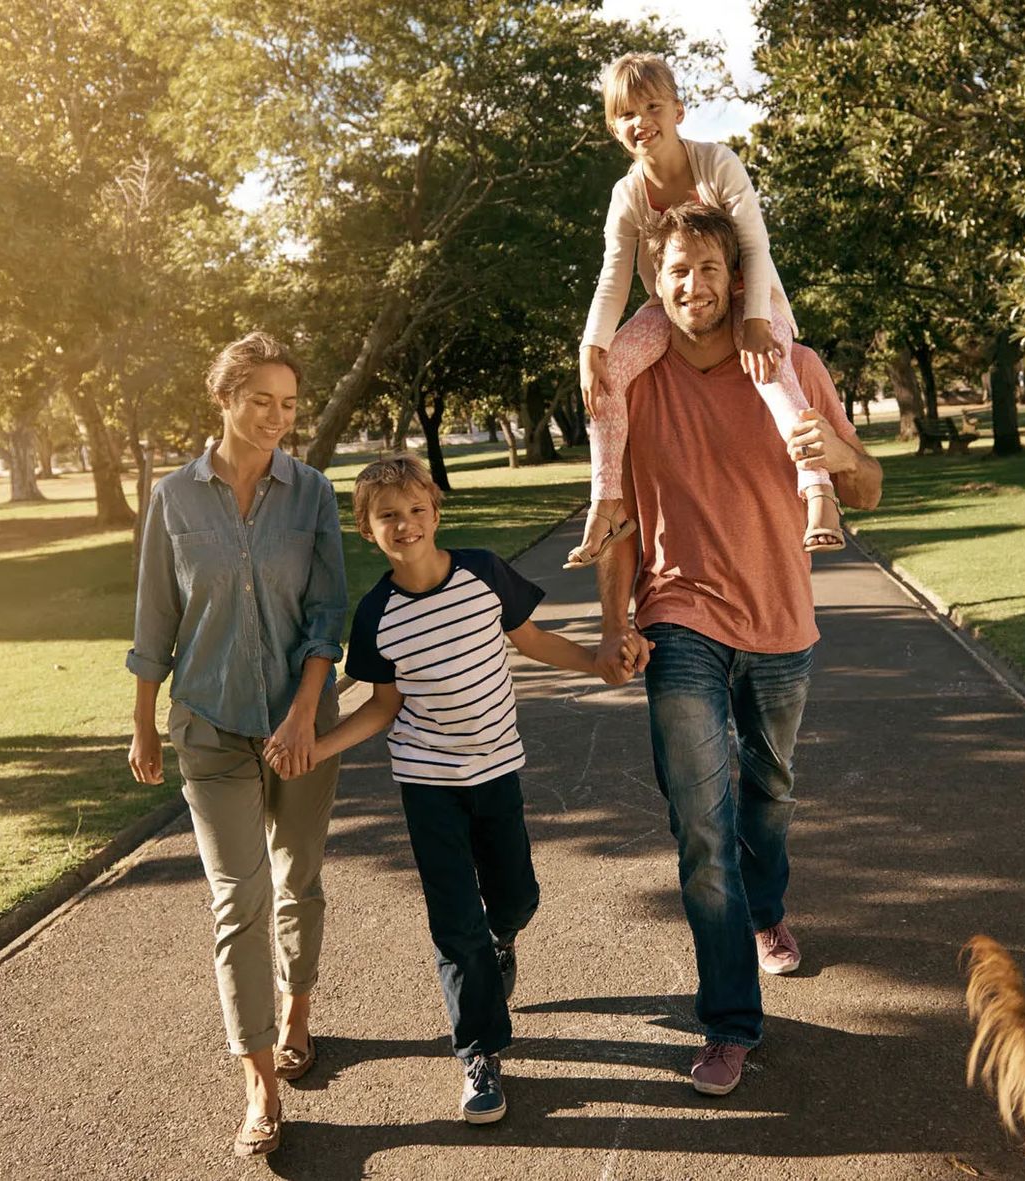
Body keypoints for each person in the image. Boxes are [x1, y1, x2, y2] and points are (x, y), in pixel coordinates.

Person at [590, 203, 882, 1097]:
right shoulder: (635, 378)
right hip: (680, 612)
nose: (692, 286)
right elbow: (620, 517)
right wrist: (616, 621)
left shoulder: (795, 365)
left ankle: (766, 911)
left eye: (708, 268)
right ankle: (731, 1021)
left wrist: (832, 445)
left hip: (782, 620)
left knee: (771, 790)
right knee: (701, 825)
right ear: (654, 279)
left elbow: (866, 486)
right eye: (676, 270)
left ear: (736, 274)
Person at [313, 455, 641, 1124]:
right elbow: (382, 707)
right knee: (453, 920)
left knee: (516, 895)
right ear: (365, 528)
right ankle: (479, 1052)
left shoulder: (484, 572)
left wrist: (596, 659)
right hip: (428, 784)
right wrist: (317, 749)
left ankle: (502, 937)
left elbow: (532, 640)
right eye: (387, 516)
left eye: (413, 510)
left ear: (434, 510)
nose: (404, 524)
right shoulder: (375, 614)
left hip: (496, 771)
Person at [126, 331, 348, 1158]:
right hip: (210, 724)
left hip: (302, 721)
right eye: (262, 401)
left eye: (289, 406)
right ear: (224, 398)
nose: (277, 419)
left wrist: (303, 713)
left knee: (298, 877)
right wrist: (144, 718)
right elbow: (156, 615)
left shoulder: (312, 493)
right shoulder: (174, 499)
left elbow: (329, 612)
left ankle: (297, 1012)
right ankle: (258, 1077)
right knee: (238, 896)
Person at [565, 52, 842, 570]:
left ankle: (818, 488)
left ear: (678, 111)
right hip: (673, 307)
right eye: (626, 113)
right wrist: (591, 346)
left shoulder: (716, 162)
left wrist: (757, 321)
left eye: (652, 107)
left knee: (771, 365)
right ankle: (606, 503)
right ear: (612, 126)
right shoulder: (627, 194)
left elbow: (755, 245)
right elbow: (613, 275)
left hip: (746, 295)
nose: (640, 121)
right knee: (608, 375)